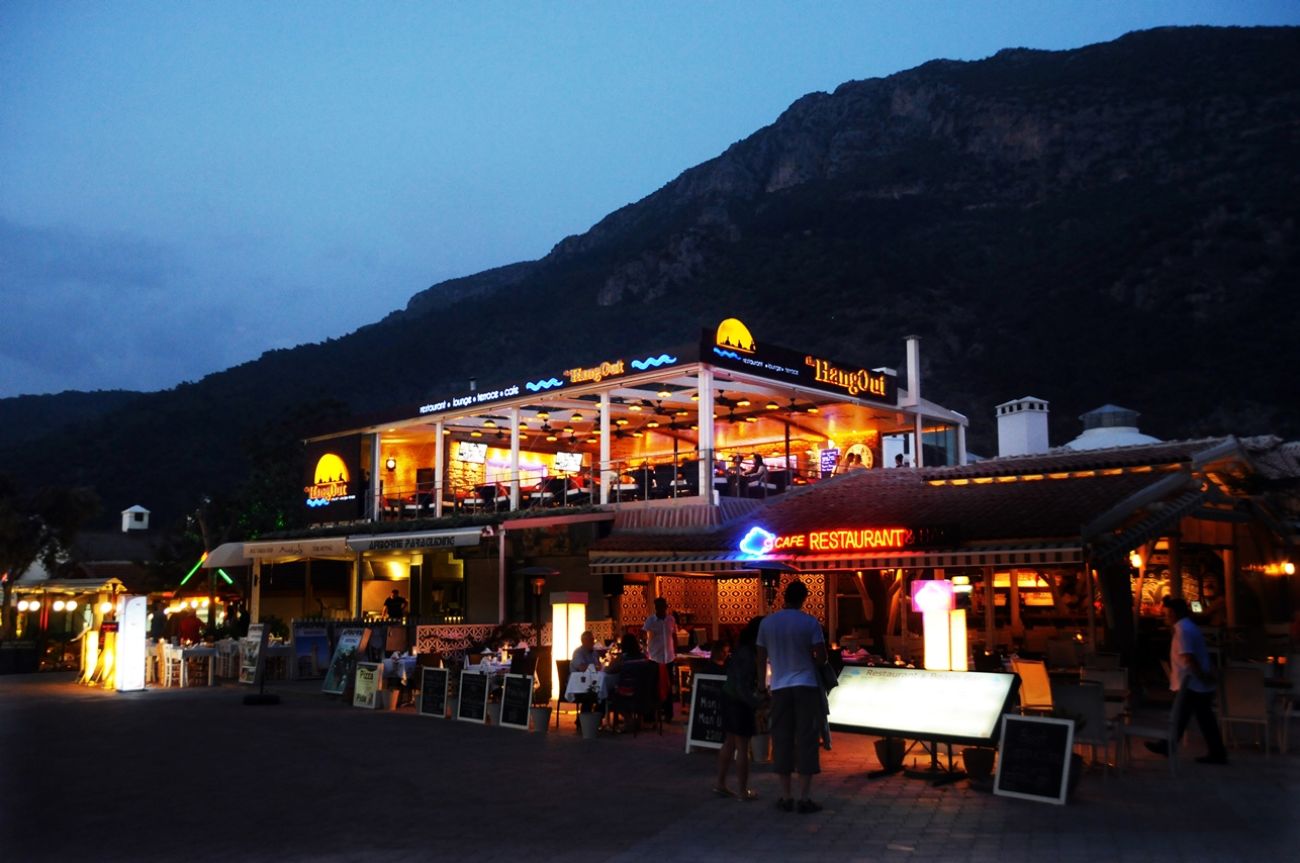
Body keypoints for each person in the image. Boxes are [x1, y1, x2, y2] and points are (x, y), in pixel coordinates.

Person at [756, 580, 827, 814]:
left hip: (779, 686)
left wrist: (761, 685)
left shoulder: (768, 623)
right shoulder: (810, 622)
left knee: (782, 738)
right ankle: (804, 797)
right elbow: (822, 657)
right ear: (803, 598)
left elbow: (760, 656)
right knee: (807, 738)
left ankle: (786, 795)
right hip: (806, 684)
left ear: (784, 597)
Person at [1146, 596, 1228, 764]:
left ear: (1174, 613)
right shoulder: (1188, 627)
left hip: (1191, 682)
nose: (1167, 616)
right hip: (1193, 682)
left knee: (1186, 716)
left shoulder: (1183, 630)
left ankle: (1169, 746)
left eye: (1169, 613)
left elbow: (1189, 657)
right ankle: (1214, 752)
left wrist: (1202, 677)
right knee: (1195, 717)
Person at [715, 616, 764, 801]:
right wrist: (756, 702)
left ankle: (720, 783)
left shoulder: (740, 649)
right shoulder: (749, 654)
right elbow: (743, 685)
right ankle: (742, 791)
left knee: (729, 741)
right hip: (739, 701)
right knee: (742, 746)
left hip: (728, 696)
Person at [643, 597, 678, 721]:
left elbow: (674, 635)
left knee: (668, 686)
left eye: (663, 606)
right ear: (656, 607)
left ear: (666, 607)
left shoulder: (671, 619)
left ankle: (668, 714)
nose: (661, 609)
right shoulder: (650, 621)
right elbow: (644, 635)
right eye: (658, 607)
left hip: (669, 657)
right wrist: (647, 648)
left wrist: (675, 651)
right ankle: (652, 714)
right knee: (654, 686)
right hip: (655, 658)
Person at [571, 630, 603, 721]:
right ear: (584, 641)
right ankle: (584, 721)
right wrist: (595, 667)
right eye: (591, 640)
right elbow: (581, 667)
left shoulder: (594, 653)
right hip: (579, 685)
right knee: (592, 694)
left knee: (605, 693)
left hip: (592, 683)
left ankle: (596, 719)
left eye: (593, 639)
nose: (593, 642)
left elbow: (599, 666)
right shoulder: (578, 653)